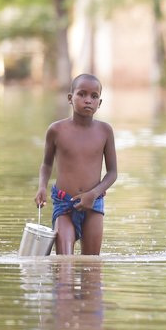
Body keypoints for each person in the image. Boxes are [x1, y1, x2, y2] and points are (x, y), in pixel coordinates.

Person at [35, 73, 118, 255]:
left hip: (93, 204)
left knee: (92, 270)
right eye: (82, 94)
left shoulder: (105, 131)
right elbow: (47, 164)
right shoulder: (56, 130)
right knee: (65, 265)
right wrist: (42, 187)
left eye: (94, 96)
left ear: (99, 103)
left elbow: (112, 173)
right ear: (70, 99)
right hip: (64, 204)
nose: (88, 100)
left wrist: (93, 194)